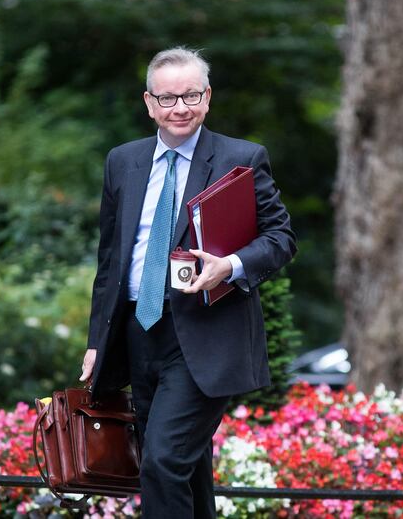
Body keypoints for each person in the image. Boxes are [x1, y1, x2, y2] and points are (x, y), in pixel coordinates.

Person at [79, 46, 296, 519]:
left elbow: (281, 237)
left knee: (161, 462)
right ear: (149, 103)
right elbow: (111, 261)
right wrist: (98, 341)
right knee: (186, 465)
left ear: (208, 97)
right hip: (138, 333)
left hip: (204, 335)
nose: (180, 108)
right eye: (168, 98)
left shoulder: (242, 158)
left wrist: (231, 265)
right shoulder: (122, 161)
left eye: (191, 95)